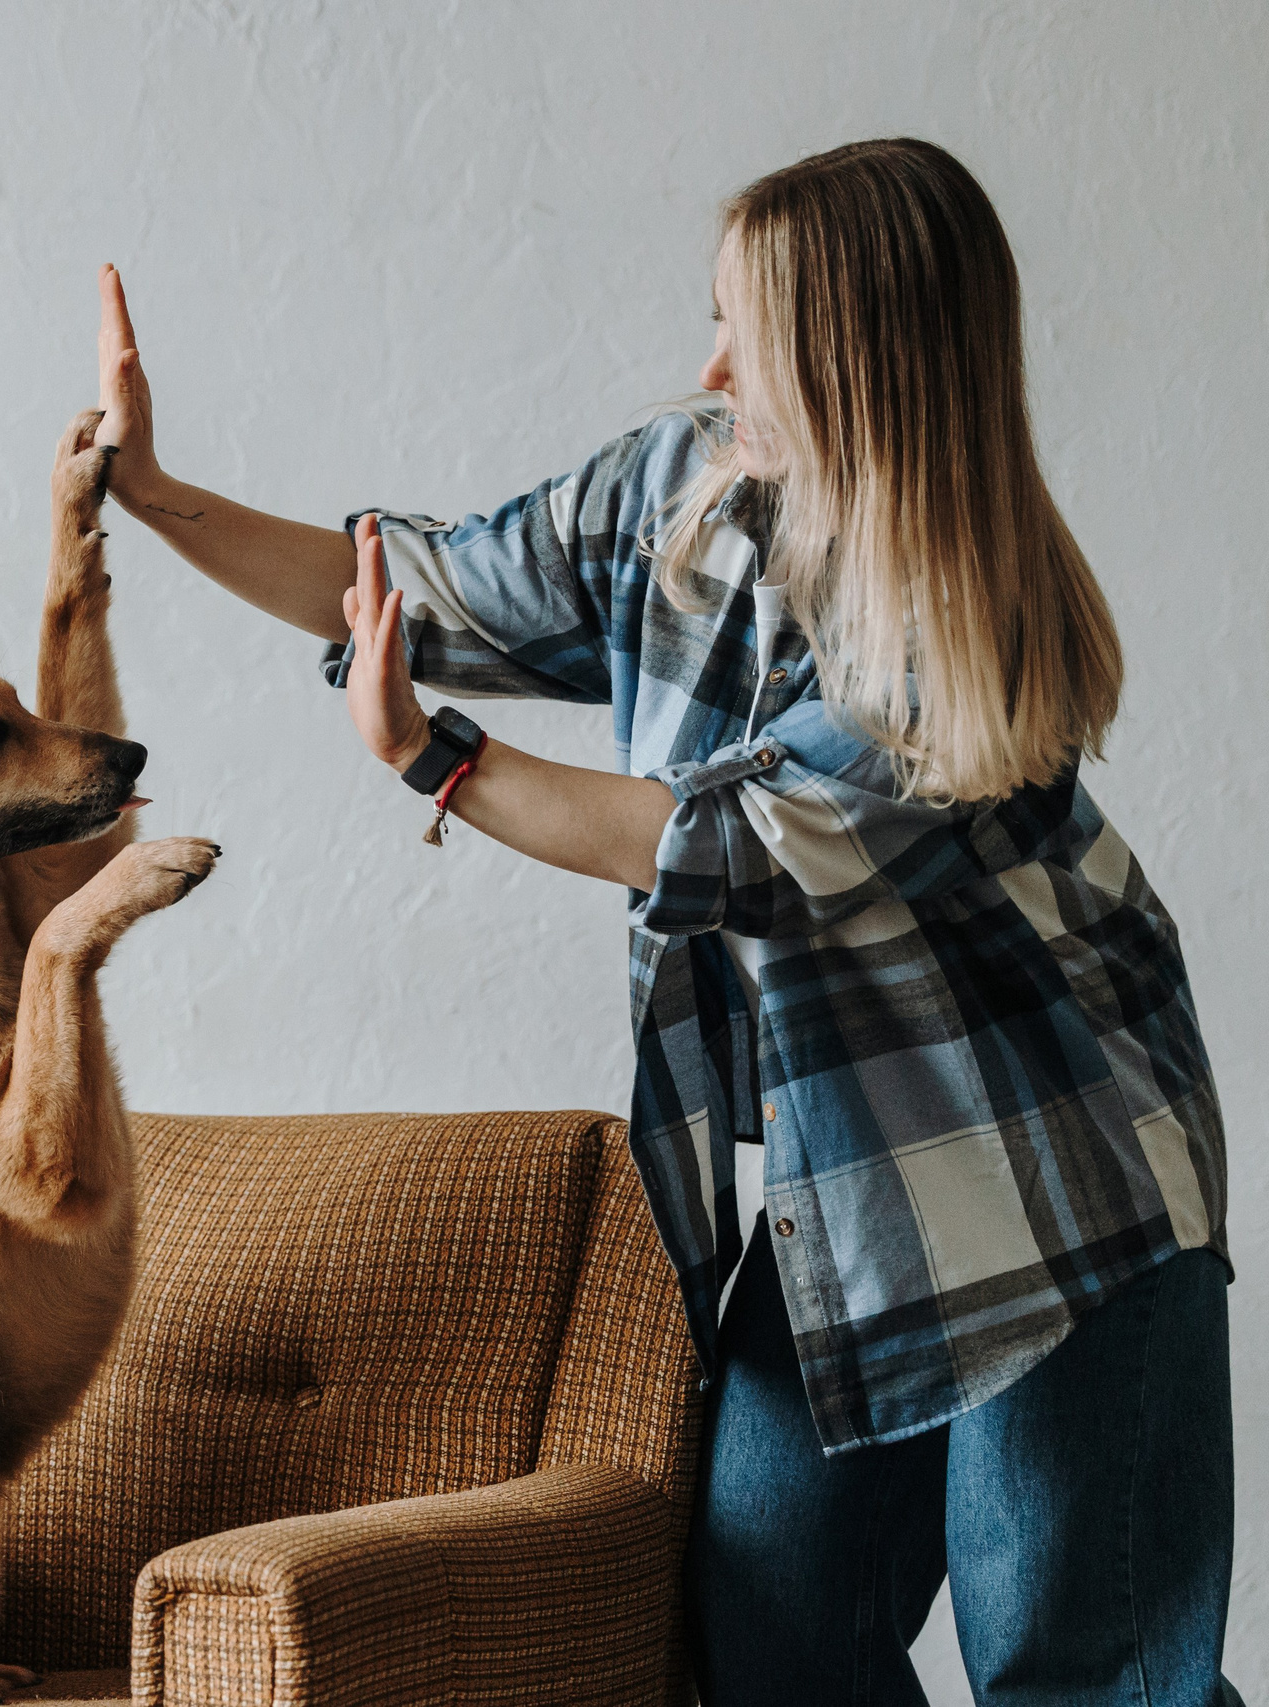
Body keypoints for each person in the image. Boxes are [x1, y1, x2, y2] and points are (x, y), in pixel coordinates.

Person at [87, 138, 1239, 1707]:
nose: (706, 366)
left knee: (1070, 1666)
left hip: (1066, 1179)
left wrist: (437, 760)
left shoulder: (972, 625)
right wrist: (154, 498)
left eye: (741, 336)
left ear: (847, 362)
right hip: (858, 1166)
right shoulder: (683, 488)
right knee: (775, 1632)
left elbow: (726, 845)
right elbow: (413, 584)